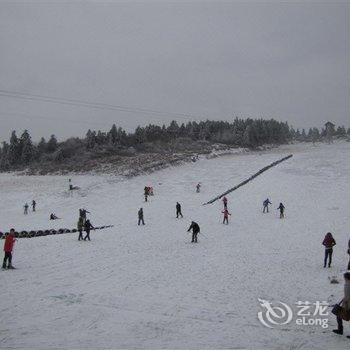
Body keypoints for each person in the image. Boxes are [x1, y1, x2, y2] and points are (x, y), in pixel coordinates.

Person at [332, 272, 350, 338]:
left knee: (339, 315)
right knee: (339, 316)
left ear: (346, 278)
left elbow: (347, 296)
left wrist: (344, 302)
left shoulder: (347, 285)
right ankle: (340, 329)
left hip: (347, 304)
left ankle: (340, 330)